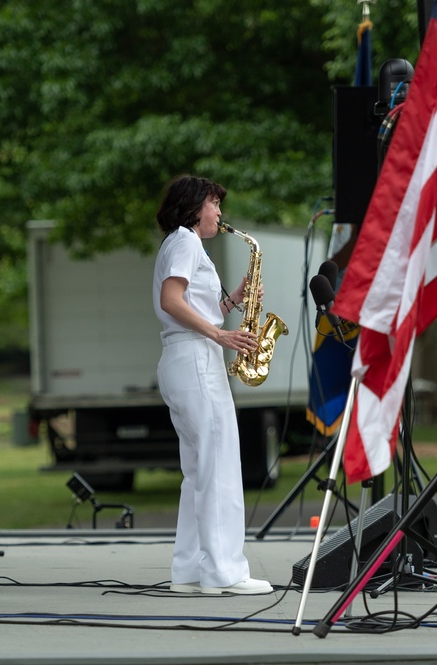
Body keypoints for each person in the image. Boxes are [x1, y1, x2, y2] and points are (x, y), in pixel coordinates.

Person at [152, 175, 272, 595]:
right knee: (218, 465)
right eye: (214, 203)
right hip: (197, 359)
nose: (220, 212)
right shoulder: (186, 242)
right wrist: (221, 335)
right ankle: (225, 572)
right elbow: (172, 301)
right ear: (193, 206)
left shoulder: (179, 244)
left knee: (198, 469)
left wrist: (234, 299)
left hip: (184, 358)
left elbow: (191, 306)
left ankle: (187, 570)